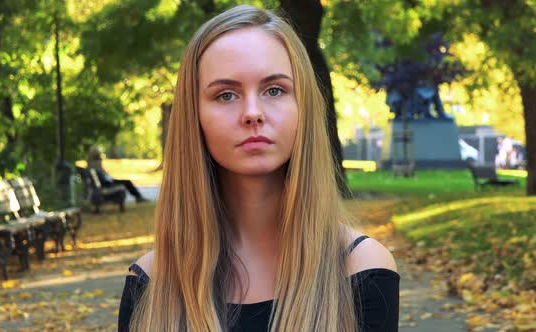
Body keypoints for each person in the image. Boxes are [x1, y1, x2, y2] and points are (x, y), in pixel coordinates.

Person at [119, 5, 399, 331]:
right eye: (225, 95)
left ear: (303, 107)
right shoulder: (151, 283)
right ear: (193, 116)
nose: (253, 113)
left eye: (275, 90)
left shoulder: (361, 270)